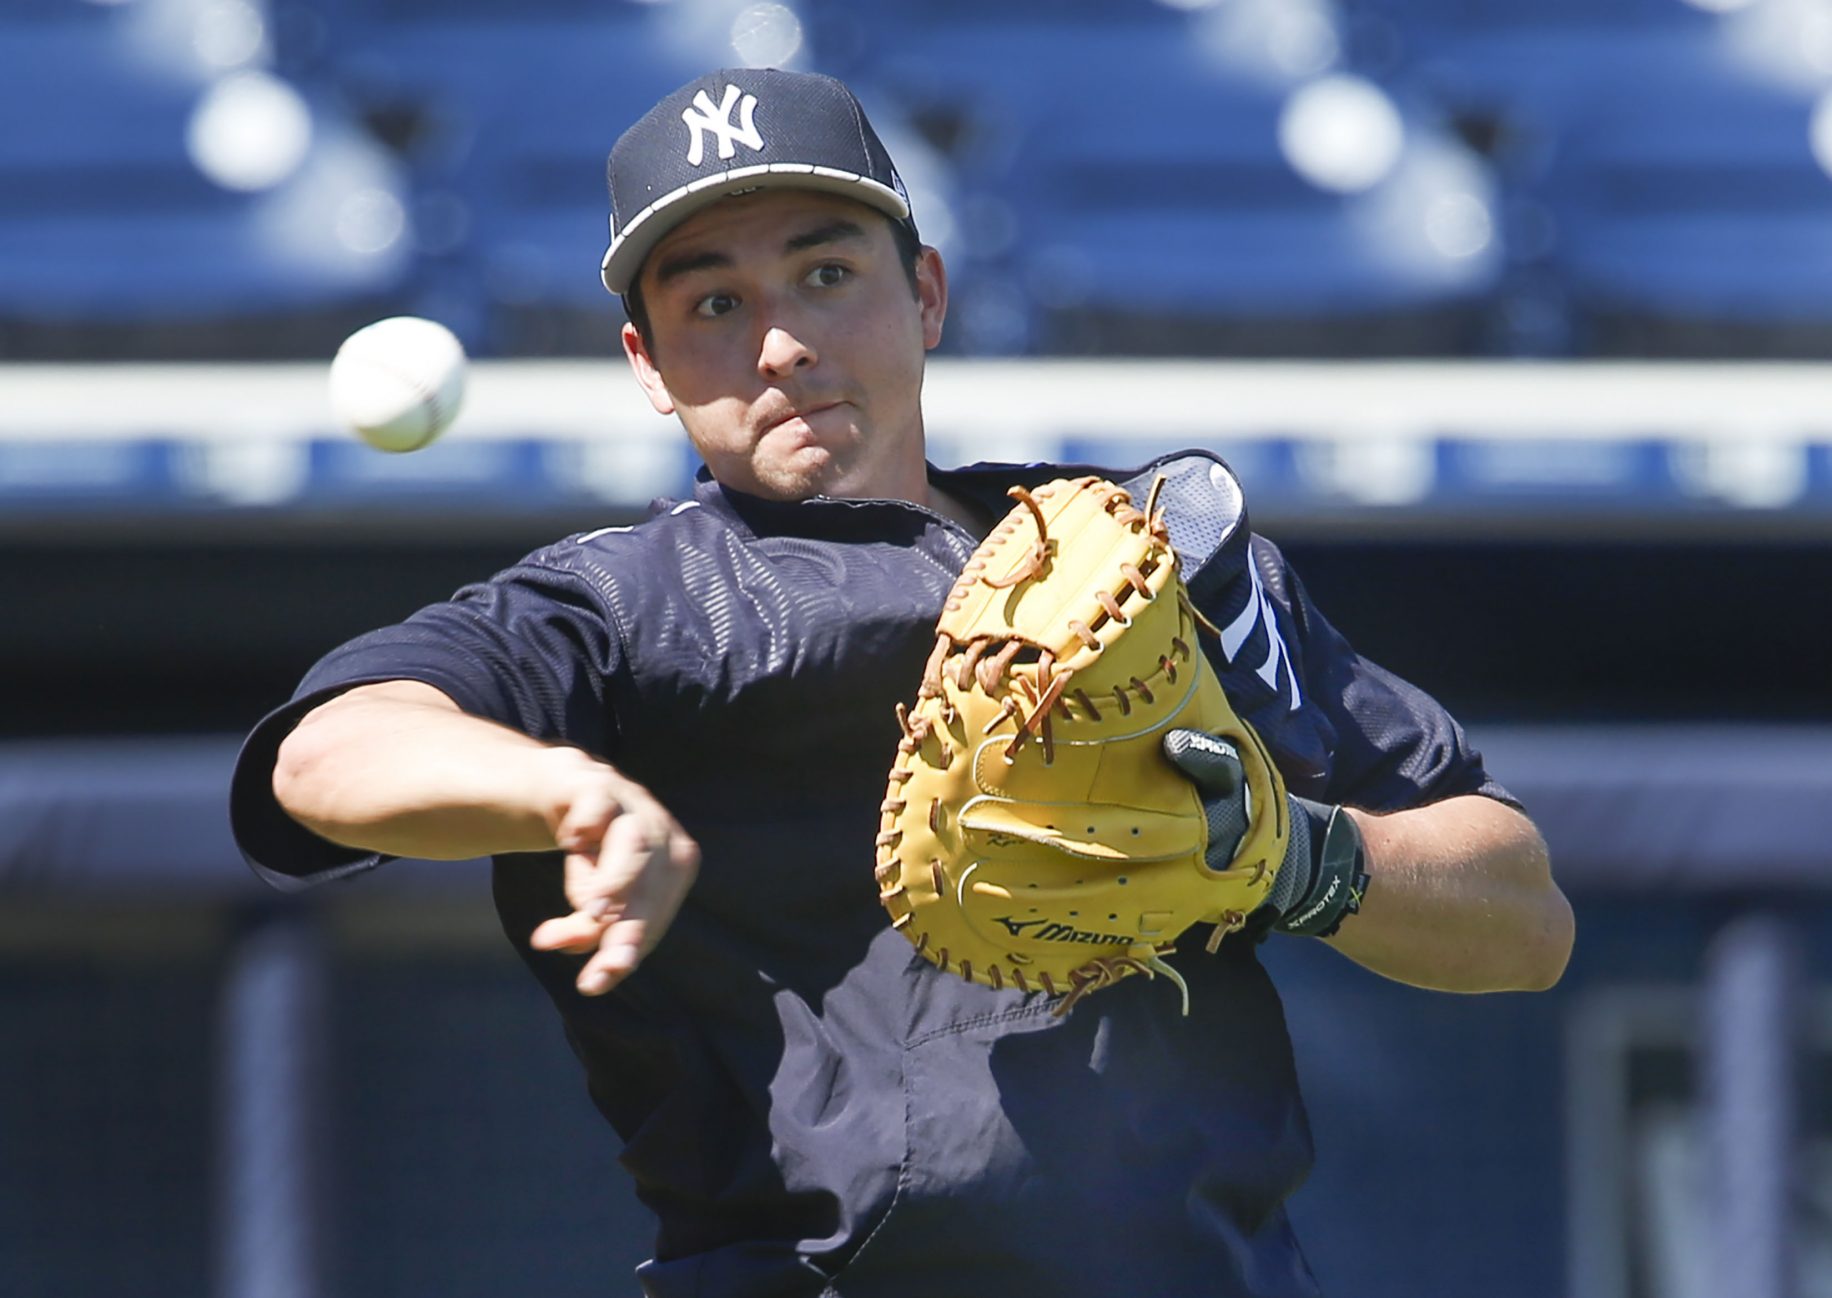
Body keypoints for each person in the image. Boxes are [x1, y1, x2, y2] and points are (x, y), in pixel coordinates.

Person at [231, 67, 1574, 1298]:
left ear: (925, 293)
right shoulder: (617, 608)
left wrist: (1299, 858)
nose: (780, 344)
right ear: (647, 363)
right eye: (713, 304)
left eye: (825, 274)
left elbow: (1521, 914)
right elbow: (328, 756)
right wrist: (558, 785)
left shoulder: (1146, 573)